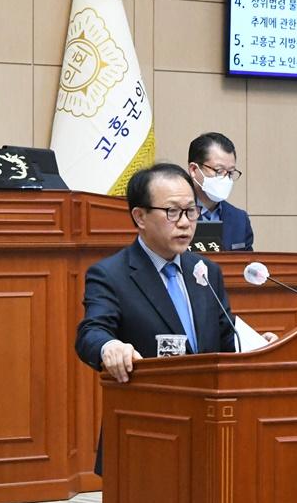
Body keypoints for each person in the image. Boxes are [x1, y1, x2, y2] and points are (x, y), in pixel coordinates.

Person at [76, 163, 239, 387]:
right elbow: (91, 333)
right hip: (151, 403)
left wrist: (260, 347)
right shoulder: (110, 275)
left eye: (191, 211)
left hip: (207, 403)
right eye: (172, 211)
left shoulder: (207, 271)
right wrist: (109, 346)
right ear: (140, 217)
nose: (185, 223)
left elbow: (228, 340)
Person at [187, 132, 254, 251]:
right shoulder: (175, 215)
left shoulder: (239, 219)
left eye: (230, 172)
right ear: (194, 170)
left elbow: (247, 260)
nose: (225, 178)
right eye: (218, 171)